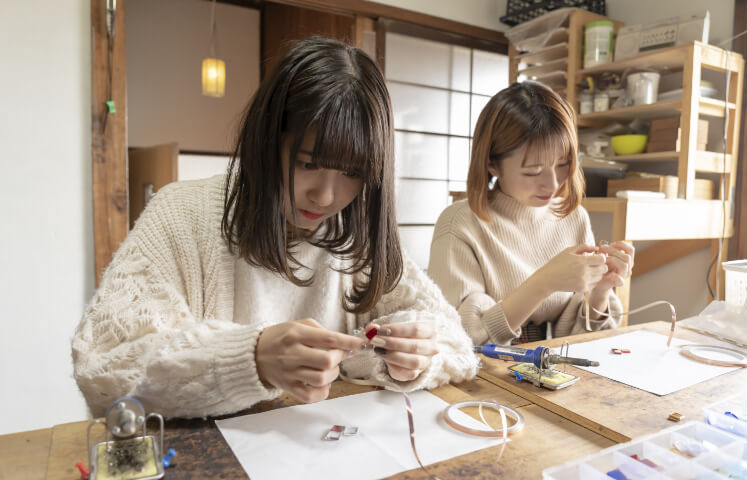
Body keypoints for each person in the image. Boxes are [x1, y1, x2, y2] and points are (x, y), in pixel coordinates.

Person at [72, 37, 478, 418]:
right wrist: (249, 358)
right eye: (308, 164)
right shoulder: (182, 215)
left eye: (352, 173)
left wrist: (413, 356)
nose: (325, 196)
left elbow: (453, 340)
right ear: (267, 142)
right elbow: (104, 369)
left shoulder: (356, 234)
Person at [428, 81, 634, 346]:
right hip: (483, 379)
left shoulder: (573, 217)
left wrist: (600, 291)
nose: (552, 183)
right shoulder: (460, 223)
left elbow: (579, 343)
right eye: (533, 171)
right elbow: (461, 339)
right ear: (492, 164)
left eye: (563, 165)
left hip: (553, 375)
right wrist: (544, 282)